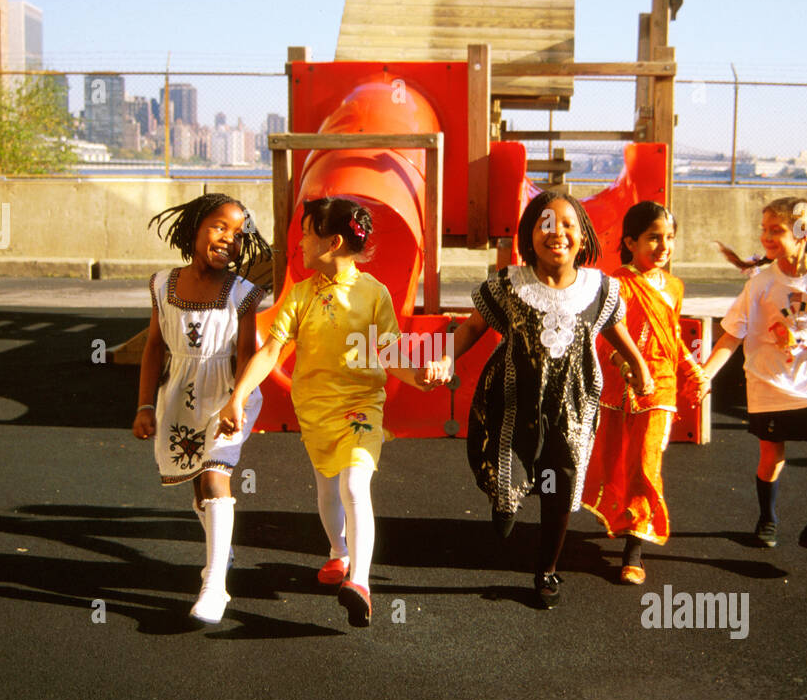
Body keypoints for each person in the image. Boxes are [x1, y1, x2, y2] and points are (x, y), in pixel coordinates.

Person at [217, 197, 437, 628]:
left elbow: (388, 352)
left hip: (361, 408)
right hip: (315, 412)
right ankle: (338, 552)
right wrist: (238, 395)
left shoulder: (374, 294)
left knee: (355, 483)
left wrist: (417, 377)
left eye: (305, 232)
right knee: (326, 490)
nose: (298, 242)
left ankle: (360, 583)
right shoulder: (300, 295)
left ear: (333, 241)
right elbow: (272, 351)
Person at [428, 190, 653, 609]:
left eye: (568, 225)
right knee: (506, 476)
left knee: (559, 488)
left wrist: (639, 367)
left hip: (573, 406)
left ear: (583, 237)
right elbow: (472, 329)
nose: (557, 233)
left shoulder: (600, 289)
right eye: (546, 224)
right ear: (530, 235)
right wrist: (445, 356)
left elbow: (616, 335)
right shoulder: (507, 285)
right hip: (512, 403)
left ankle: (547, 569)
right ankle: (504, 501)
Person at [132, 193, 270, 625]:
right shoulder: (161, 285)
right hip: (179, 393)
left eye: (237, 233)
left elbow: (246, 355)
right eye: (218, 226)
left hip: (228, 394)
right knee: (197, 485)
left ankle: (215, 585)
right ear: (194, 229)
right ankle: (220, 548)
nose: (229, 238)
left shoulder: (243, 293)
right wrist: (144, 405)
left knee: (215, 475)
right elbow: (154, 347)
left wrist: (236, 401)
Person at [701, 196, 807, 555]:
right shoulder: (761, 284)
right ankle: (766, 519)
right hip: (769, 381)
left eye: (776, 230)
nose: (766, 237)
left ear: (803, 234)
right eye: (764, 230)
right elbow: (732, 334)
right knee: (771, 454)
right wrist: (705, 375)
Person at [582, 201, 708, 585]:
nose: (664, 246)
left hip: (661, 389)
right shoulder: (614, 284)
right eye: (655, 238)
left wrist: (693, 371)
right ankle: (622, 520)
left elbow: (672, 338)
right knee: (615, 459)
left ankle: (634, 549)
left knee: (645, 462)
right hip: (619, 387)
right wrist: (625, 367)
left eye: (670, 238)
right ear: (630, 241)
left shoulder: (673, 286)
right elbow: (603, 339)